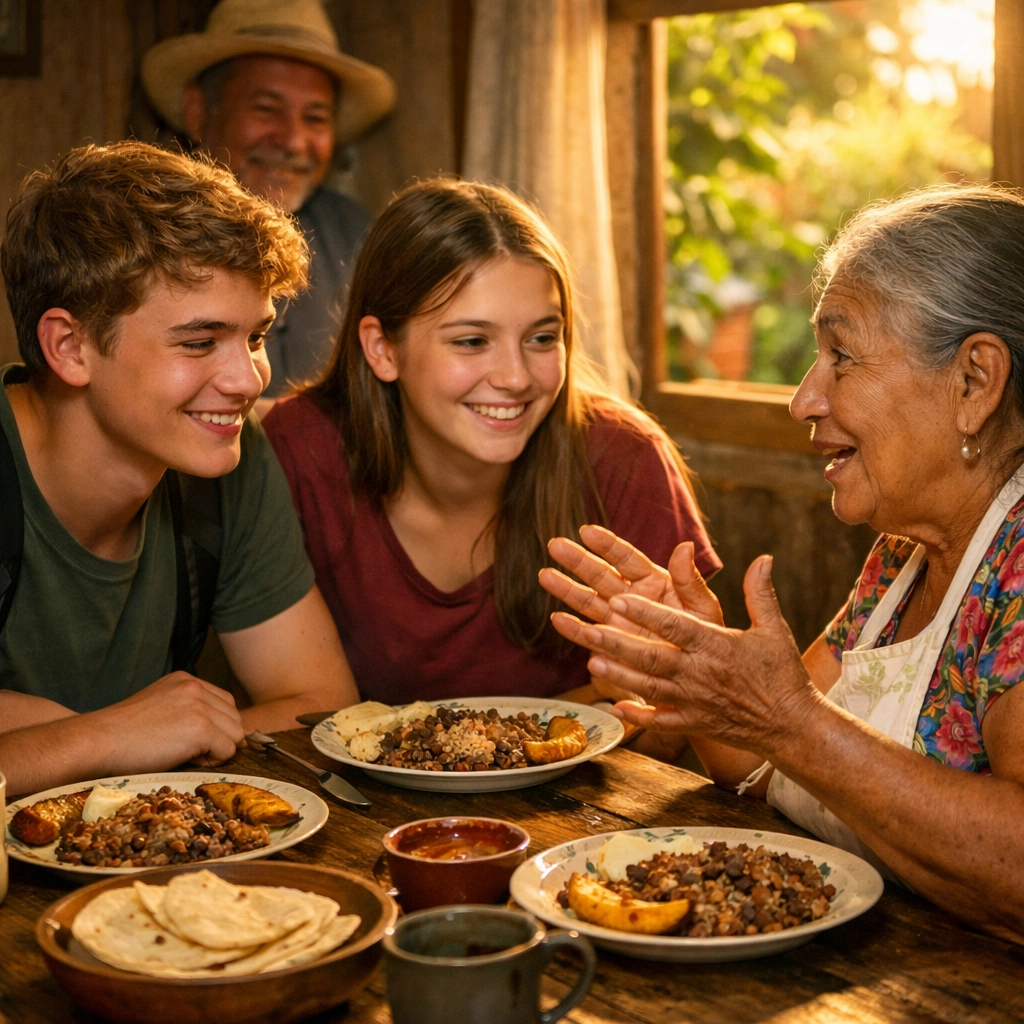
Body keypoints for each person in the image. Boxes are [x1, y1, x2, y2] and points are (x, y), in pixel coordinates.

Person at [539, 183, 1024, 943]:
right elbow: (762, 761)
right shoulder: (902, 554)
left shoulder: (1017, 568)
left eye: (842, 356)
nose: (803, 398)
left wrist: (788, 719)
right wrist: (695, 662)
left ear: (974, 382)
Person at [263, 178, 721, 714]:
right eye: (472, 341)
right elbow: (294, 712)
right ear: (383, 349)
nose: (516, 377)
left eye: (542, 338)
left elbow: (675, 730)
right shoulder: (299, 449)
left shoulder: (625, 457)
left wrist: (644, 693)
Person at [0, 141, 359, 797]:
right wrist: (102, 738)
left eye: (255, 337)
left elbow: (318, 708)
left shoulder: (228, 460)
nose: (248, 378)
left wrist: (41, 744)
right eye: (199, 342)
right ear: (69, 346)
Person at [141, 0, 396, 401]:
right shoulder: (139, 233)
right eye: (266, 109)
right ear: (197, 111)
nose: (293, 141)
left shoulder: (355, 236)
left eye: (315, 117)